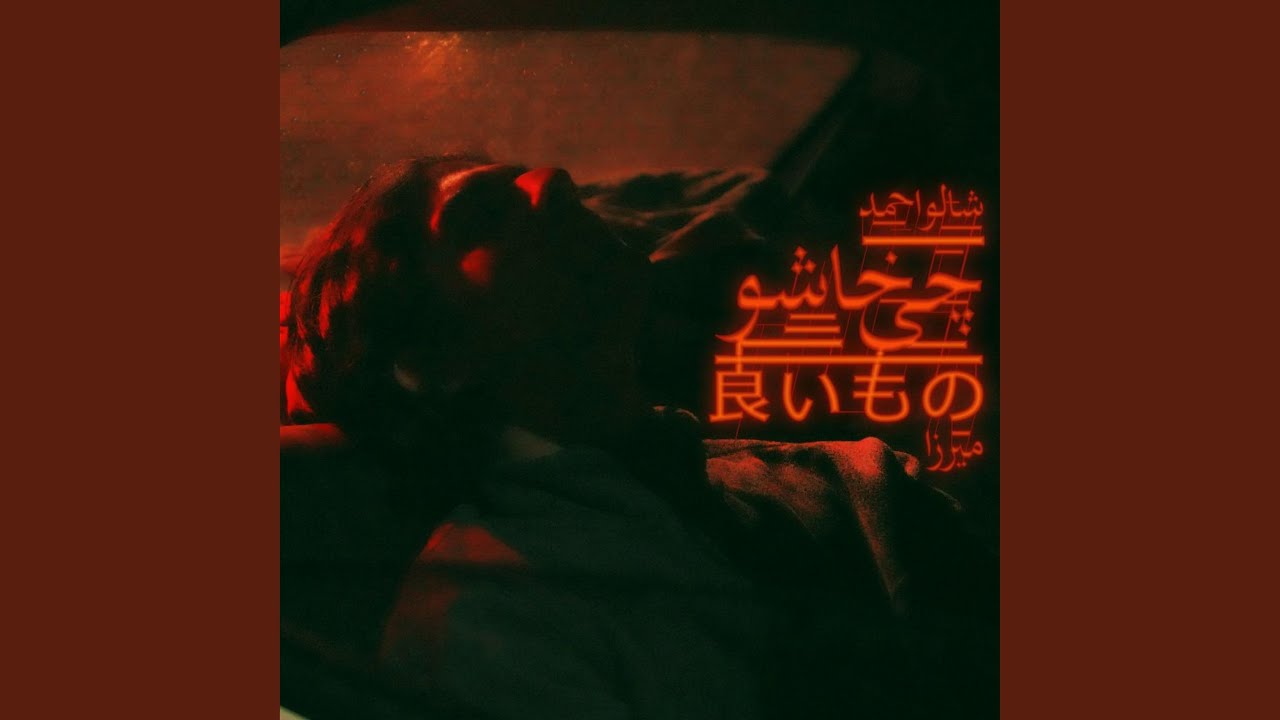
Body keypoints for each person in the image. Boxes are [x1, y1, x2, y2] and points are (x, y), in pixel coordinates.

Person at [282, 156, 996, 719]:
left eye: (530, 174)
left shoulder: (838, 471)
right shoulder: (495, 618)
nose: (553, 178)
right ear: (430, 359)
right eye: (483, 214)